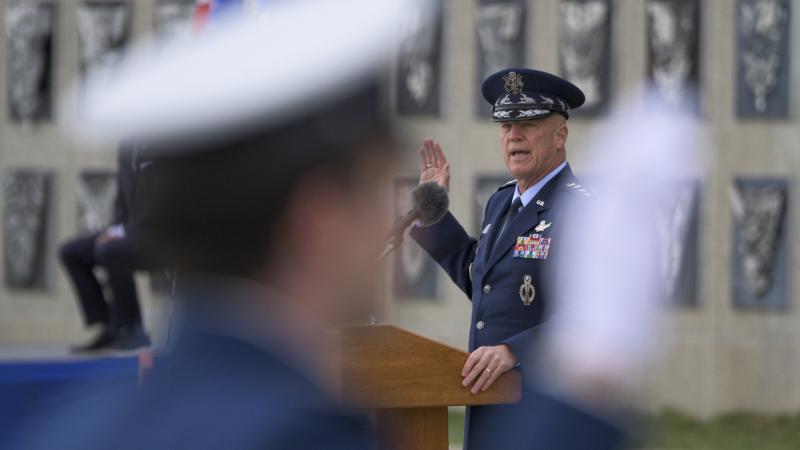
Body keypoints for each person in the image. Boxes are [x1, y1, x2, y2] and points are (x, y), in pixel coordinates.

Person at [410, 68, 591, 450]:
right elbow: (485, 282)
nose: (514, 135)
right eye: (506, 125)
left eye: (528, 124)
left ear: (560, 136)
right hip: (489, 406)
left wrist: (513, 350)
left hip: (541, 412)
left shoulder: (580, 211)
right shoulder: (501, 202)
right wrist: (433, 214)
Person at [59, 142, 152, 352]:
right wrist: (116, 229)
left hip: (159, 235)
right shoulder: (127, 147)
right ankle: (111, 326)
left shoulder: (165, 145)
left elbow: (166, 202)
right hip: (128, 231)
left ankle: (133, 329)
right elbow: (122, 200)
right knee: (71, 252)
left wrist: (122, 232)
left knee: (111, 251)